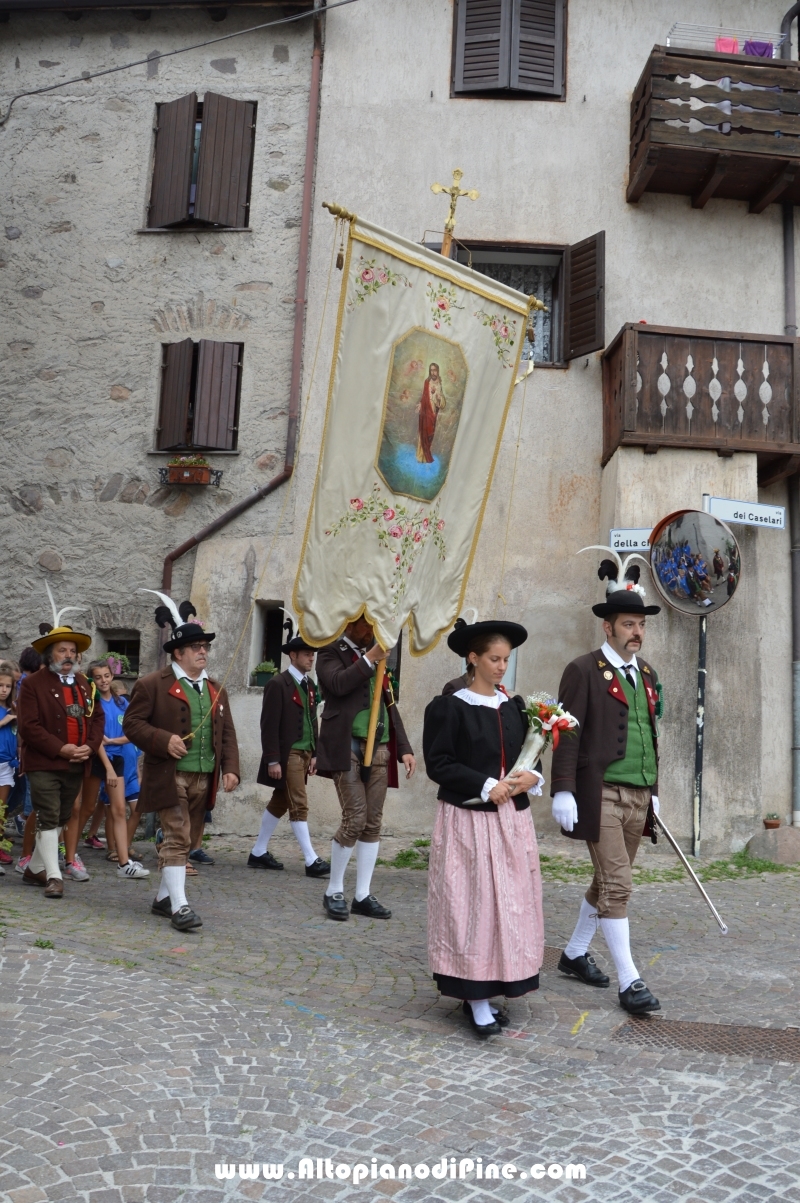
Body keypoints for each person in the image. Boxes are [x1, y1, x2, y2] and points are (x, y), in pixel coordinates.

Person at [423, 618, 545, 1038]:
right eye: (494, 659)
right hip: (468, 824)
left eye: (506, 660)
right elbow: (439, 764)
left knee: (506, 907)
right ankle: (474, 999)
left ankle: (495, 988)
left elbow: (530, 757)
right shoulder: (450, 707)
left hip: (511, 824)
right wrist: (484, 784)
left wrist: (534, 777)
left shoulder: (515, 706)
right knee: (473, 908)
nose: (501, 667)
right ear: (472, 658)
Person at [551, 587, 663, 1016]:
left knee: (605, 881)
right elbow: (567, 730)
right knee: (619, 885)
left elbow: (650, 738)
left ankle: (575, 954)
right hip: (602, 793)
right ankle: (630, 981)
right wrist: (564, 787)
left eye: (641, 625)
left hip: (638, 794)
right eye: (629, 625)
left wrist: (655, 793)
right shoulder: (583, 670)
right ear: (608, 626)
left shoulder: (648, 674)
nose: (637, 633)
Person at [123, 594, 240, 931]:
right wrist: (163, 739)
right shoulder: (152, 685)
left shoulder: (216, 689)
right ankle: (180, 906)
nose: (203, 651)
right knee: (176, 836)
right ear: (178, 652)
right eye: (196, 647)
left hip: (205, 775)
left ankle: (163, 899)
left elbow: (227, 732)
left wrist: (230, 768)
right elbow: (132, 724)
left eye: (205, 646)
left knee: (188, 839)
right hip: (169, 774)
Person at [316, 615, 415, 921]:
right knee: (355, 817)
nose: (373, 631)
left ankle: (361, 895)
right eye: (367, 625)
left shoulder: (378, 657)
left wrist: (405, 748)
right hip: (346, 744)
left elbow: (389, 702)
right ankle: (333, 890)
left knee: (372, 822)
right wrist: (370, 658)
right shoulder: (330, 651)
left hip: (381, 745)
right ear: (349, 623)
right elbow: (336, 684)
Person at [16, 614, 105, 898]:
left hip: (77, 762)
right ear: (49, 654)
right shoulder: (33, 684)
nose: (68, 656)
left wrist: (89, 747)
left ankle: (34, 870)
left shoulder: (84, 683)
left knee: (63, 816)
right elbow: (29, 726)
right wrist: (60, 748)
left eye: (72, 651)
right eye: (61, 650)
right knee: (48, 814)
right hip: (44, 762)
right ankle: (54, 877)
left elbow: (98, 720)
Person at [249, 626, 329, 877]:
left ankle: (258, 852)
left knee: (282, 800)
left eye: (312, 654)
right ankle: (310, 859)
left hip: (305, 752)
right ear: (292, 656)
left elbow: (312, 719)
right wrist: (272, 759)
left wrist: (315, 753)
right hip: (288, 753)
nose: (311, 658)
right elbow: (268, 724)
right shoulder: (277, 683)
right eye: (306, 654)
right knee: (299, 802)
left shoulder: (311, 685)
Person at [64, 661, 149, 880]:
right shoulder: (92, 702)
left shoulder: (122, 702)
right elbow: (96, 739)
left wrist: (114, 747)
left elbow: (133, 730)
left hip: (118, 759)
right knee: (87, 807)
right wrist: (108, 767)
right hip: (98, 758)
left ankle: (123, 863)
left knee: (119, 810)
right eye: (98, 676)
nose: (103, 680)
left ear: (112, 676)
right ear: (92, 679)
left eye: (107, 675)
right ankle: (68, 852)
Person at [0, 666, 18, 871]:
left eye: (8, 686)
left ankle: (0, 846)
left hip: (7, 764)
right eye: (0, 685)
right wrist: (3, 721)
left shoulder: (14, 707)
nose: (4, 690)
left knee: (2, 809)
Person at [416, 362, 446, 464]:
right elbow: (424, 397)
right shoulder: (426, 382)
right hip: (425, 412)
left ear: (437, 371)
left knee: (430, 434)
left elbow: (442, 403)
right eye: (431, 370)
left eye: (435, 370)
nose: (433, 372)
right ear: (430, 371)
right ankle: (421, 456)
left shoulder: (439, 385)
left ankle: (426, 454)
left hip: (433, 412)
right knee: (423, 432)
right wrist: (420, 404)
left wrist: (439, 398)